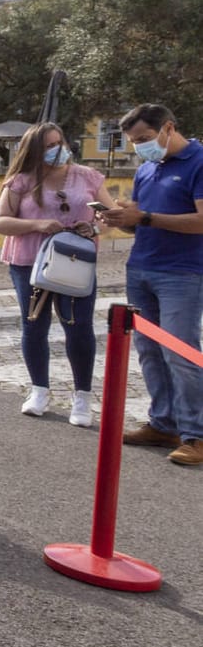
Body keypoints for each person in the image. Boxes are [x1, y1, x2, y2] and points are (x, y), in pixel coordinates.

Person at [0, 123, 116, 426]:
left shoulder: (87, 177)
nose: (57, 149)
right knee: (34, 325)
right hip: (29, 264)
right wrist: (37, 225)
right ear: (33, 150)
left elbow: (111, 216)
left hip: (75, 261)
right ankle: (39, 390)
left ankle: (83, 397)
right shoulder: (20, 181)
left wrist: (95, 227)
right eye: (48, 145)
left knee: (79, 326)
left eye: (59, 142)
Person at [100, 103, 203, 466]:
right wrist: (121, 217)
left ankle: (197, 435)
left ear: (169, 127)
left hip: (183, 272)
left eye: (144, 138)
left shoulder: (199, 162)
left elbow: (201, 220)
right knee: (149, 351)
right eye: (133, 141)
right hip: (142, 267)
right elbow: (142, 219)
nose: (139, 146)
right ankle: (164, 423)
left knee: (181, 352)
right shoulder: (146, 168)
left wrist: (143, 216)